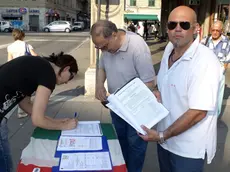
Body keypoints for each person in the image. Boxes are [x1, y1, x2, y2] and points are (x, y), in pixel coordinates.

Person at [139, 6, 221, 172]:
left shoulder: (205, 61)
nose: (177, 29)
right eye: (172, 25)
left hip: (188, 149)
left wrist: (162, 135)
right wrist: (158, 92)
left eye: (184, 25)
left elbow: (199, 111)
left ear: (195, 29)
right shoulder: (169, 50)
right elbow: (165, 84)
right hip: (165, 141)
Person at [90, 20, 155, 172]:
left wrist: (124, 99)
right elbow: (102, 67)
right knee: (120, 141)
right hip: (117, 106)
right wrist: (100, 85)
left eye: (104, 46)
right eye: (98, 47)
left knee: (135, 145)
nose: (102, 51)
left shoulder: (137, 46)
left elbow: (149, 82)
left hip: (137, 108)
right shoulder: (106, 49)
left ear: (114, 35)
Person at [0, 52, 79, 172]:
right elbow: (37, 120)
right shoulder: (48, 76)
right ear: (66, 69)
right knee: (3, 163)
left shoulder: (39, 66)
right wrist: (64, 126)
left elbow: (25, 104)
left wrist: (54, 121)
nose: (68, 82)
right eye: (71, 76)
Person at [201, 20, 230, 117]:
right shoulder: (205, 40)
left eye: (217, 30)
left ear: (221, 31)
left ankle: (215, 117)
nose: (214, 32)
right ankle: (203, 116)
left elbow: (227, 60)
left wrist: (221, 73)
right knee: (204, 95)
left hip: (219, 72)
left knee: (217, 97)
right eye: (213, 30)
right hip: (205, 72)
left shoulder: (226, 41)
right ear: (210, 30)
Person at [7, 29, 38, 118]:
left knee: (19, 90)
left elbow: (9, 61)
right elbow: (35, 56)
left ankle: (20, 111)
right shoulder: (27, 45)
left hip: (15, 70)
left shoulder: (10, 47)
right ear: (23, 36)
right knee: (26, 90)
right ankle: (24, 110)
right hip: (26, 70)